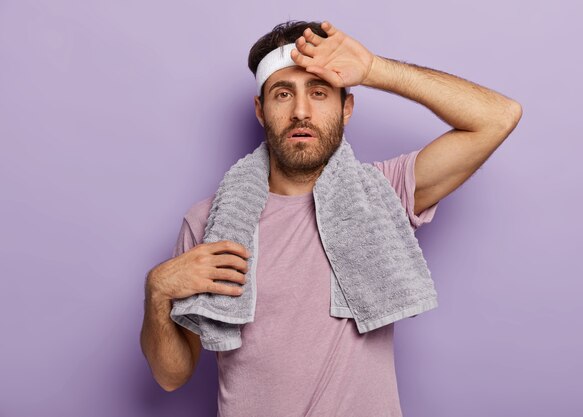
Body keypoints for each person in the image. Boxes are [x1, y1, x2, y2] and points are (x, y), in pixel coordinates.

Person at [140, 20, 522, 416]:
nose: (301, 111)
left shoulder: (383, 196)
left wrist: (374, 69)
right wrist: (157, 290)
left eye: (319, 92)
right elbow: (172, 375)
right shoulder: (210, 222)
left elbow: (498, 116)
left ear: (347, 108)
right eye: (283, 94)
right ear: (260, 110)